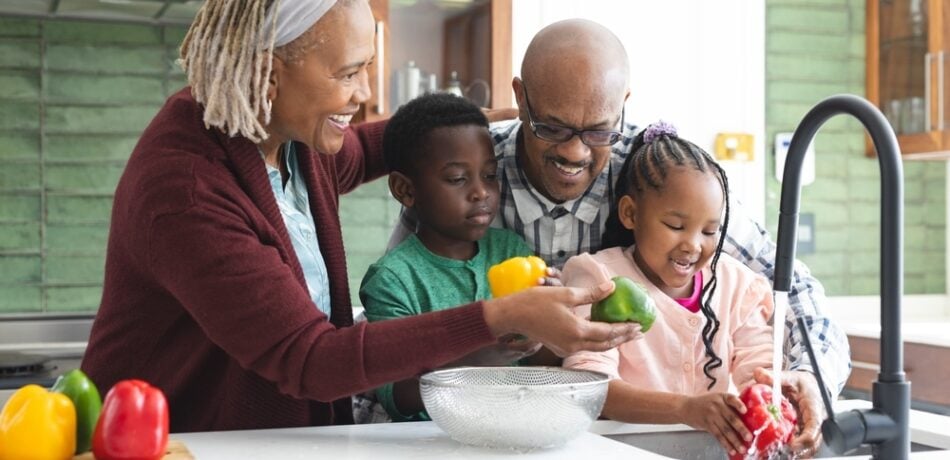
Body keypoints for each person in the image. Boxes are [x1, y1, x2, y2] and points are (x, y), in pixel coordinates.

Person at [80, 0, 641, 433]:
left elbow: (378, 145)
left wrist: (517, 120)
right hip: (181, 442)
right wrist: (499, 316)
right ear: (269, 74)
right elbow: (310, 359)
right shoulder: (189, 188)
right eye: (349, 74)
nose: (364, 92)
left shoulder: (288, 138)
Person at [389, 18, 850, 455]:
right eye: (552, 127)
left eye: (597, 130)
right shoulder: (473, 170)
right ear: (520, 96)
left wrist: (809, 376)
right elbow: (397, 313)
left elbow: (793, 287)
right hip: (484, 434)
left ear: (624, 102)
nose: (574, 151)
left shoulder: (658, 175)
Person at [561, 121, 773, 457]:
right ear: (631, 214)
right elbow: (592, 389)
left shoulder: (736, 285)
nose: (692, 246)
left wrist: (772, 393)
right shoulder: (600, 280)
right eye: (676, 226)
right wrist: (684, 408)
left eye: (709, 231)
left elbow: (761, 367)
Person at [360, 93, 562, 422]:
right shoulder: (393, 279)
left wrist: (553, 322)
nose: (481, 192)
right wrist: (482, 355)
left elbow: (543, 365)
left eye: (490, 175)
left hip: (509, 432)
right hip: (424, 443)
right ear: (405, 190)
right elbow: (398, 394)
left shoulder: (511, 251)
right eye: (457, 179)